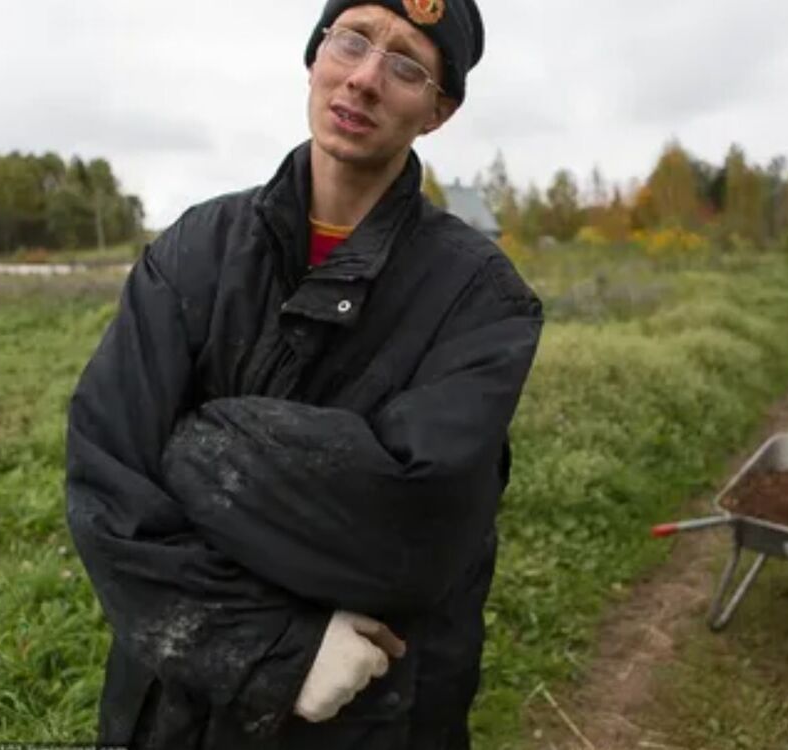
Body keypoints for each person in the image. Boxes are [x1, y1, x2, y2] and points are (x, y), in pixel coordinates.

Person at [64, 0, 543, 747]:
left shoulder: (480, 298)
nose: (363, 79)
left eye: (406, 65)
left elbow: (413, 530)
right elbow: (107, 485)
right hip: (176, 712)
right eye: (350, 41)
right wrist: (280, 651)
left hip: (375, 714)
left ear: (437, 112)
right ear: (315, 55)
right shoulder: (194, 251)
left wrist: (193, 447)